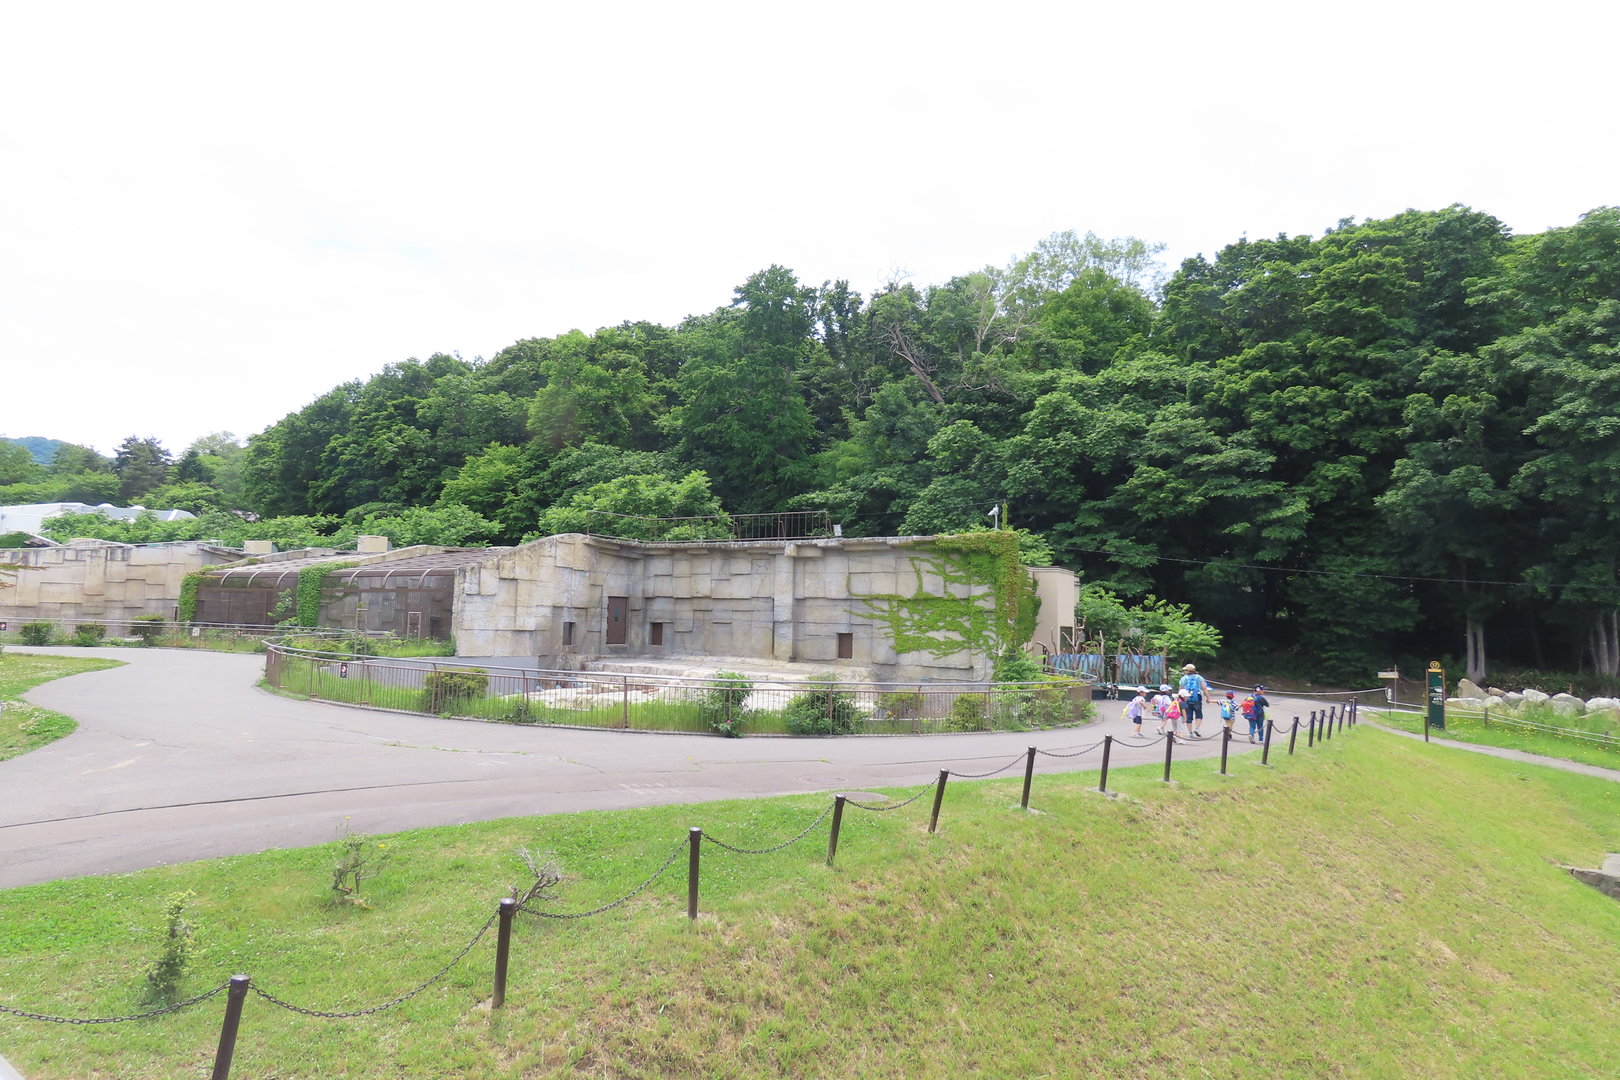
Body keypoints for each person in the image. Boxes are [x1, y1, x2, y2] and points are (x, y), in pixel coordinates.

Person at [1179, 663, 1211, 737]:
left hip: (1186, 699)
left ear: (1187, 671)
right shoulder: (1199, 677)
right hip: (1197, 698)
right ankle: (1197, 728)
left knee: (1188, 716)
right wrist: (1208, 697)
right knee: (1199, 714)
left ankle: (1190, 733)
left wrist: (1179, 698)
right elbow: (1204, 688)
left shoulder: (1184, 678)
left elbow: (1181, 689)